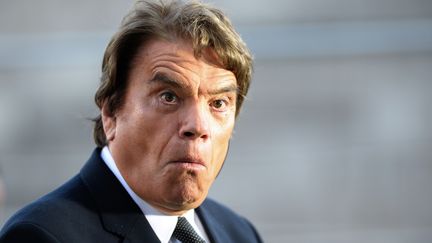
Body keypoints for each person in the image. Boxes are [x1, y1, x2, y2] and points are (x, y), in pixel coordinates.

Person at [0, 0, 262, 242]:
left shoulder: (240, 233)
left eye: (218, 104)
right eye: (168, 97)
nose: (197, 126)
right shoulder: (41, 236)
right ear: (111, 113)